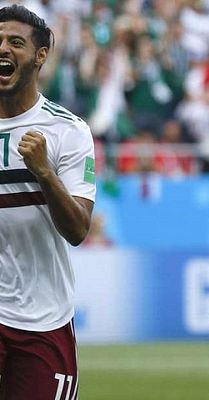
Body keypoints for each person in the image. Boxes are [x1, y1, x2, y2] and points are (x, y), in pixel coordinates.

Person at [0, 5, 95, 399]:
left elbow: (78, 230)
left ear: (40, 56)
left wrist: (44, 173)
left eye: (15, 42)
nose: (2, 49)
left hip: (42, 323)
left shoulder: (67, 131)